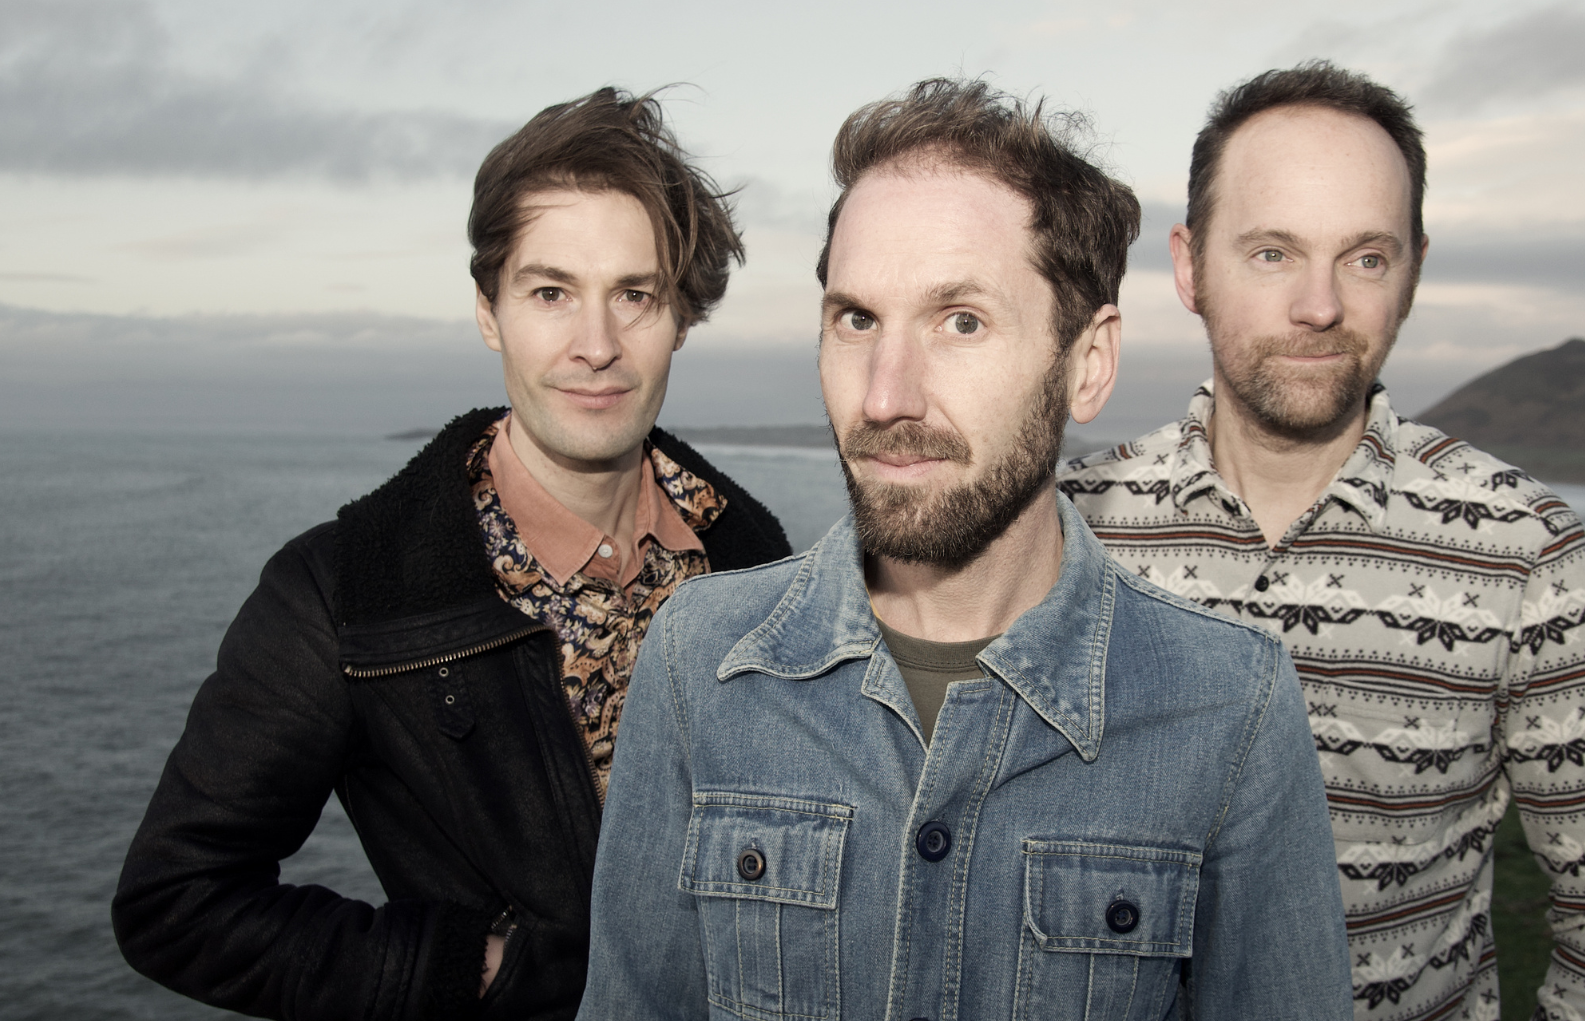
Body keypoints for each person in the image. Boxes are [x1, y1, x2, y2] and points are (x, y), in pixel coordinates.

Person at [574, 78, 1353, 1020]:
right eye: (857, 320)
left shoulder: (1229, 704)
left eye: (962, 321)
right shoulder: (700, 658)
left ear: (1088, 363)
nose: (885, 396)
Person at [112, 87, 792, 1021]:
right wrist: (471, 972)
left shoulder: (760, 564)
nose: (596, 345)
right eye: (550, 293)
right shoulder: (348, 594)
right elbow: (174, 901)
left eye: (635, 296)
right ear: (489, 311)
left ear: (681, 317)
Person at [1060, 61, 1585, 1021]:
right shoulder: (1070, 528)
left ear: (1413, 273)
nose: (1320, 305)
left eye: (1365, 258)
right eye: (1272, 252)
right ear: (1189, 268)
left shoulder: (1523, 549)